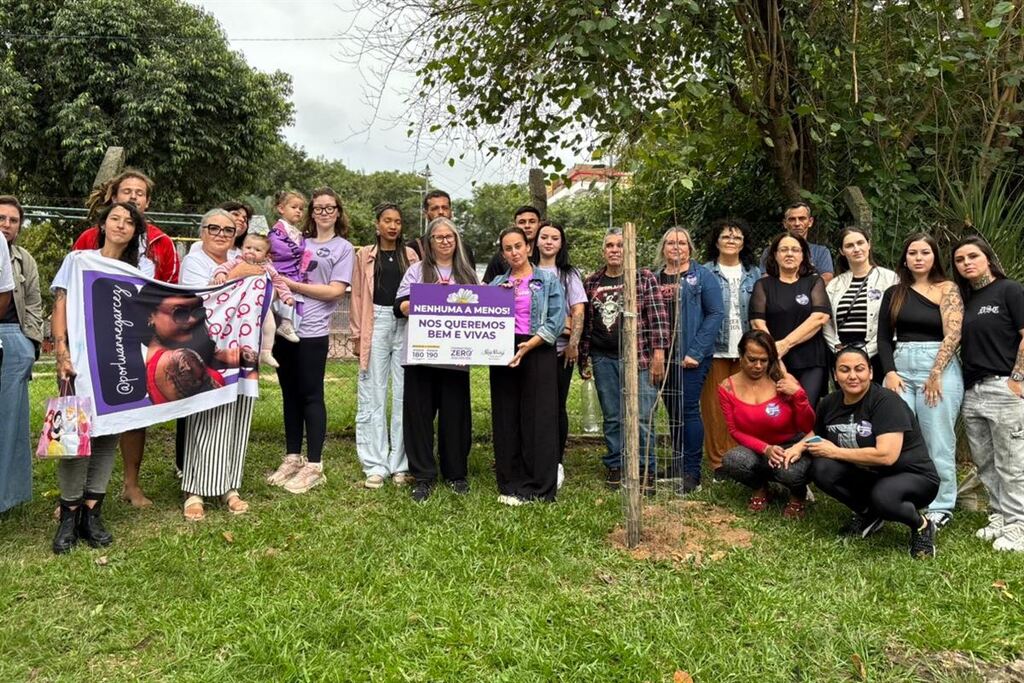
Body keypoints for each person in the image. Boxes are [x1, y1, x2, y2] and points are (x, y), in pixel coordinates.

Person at [74, 169, 181, 508]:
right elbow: (71, 290)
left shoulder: (161, 244)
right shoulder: (87, 241)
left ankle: (131, 485)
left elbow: (169, 294)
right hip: (90, 341)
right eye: (126, 191)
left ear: (147, 202)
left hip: (134, 340)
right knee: (84, 412)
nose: (133, 197)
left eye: (140, 193)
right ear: (113, 197)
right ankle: (73, 493)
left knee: (134, 414)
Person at [49, 202, 144, 552]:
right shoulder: (78, 260)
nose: (121, 225)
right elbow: (60, 306)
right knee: (73, 440)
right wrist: (62, 353)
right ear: (103, 224)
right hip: (79, 364)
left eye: (129, 222)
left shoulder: (139, 269)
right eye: (115, 219)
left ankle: (93, 511)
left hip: (119, 365)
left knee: (107, 438)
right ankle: (68, 514)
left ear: (135, 231)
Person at [807, 346, 940, 559]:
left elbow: (887, 456)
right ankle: (868, 514)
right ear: (835, 375)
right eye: (844, 370)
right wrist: (795, 449)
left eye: (859, 369)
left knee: (883, 496)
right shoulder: (829, 403)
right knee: (821, 468)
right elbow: (814, 435)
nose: (852, 376)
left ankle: (922, 525)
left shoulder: (886, 401)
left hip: (913, 476)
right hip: (872, 474)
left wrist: (835, 451)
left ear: (870, 372)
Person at [178, 209, 264, 521]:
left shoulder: (240, 257)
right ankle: (195, 489)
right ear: (202, 231)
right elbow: (202, 296)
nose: (220, 234)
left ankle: (230, 485)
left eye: (228, 230)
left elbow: (264, 282)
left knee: (238, 412)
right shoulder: (195, 260)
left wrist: (242, 273)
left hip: (242, 347)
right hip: (204, 348)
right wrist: (242, 274)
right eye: (213, 228)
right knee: (204, 414)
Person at [266, 188, 354, 494]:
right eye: (318, 208)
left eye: (331, 208)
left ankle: (315, 465)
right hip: (282, 326)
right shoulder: (295, 241)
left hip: (313, 329)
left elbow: (334, 291)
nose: (324, 213)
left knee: (311, 394)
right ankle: (293, 457)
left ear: (339, 212)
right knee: (289, 393)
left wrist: (290, 284)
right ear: (311, 212)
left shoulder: (344, 248)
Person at [877, 234, 963, 529]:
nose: (918, 257)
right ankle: (906, 495)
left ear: (934, 257)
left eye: (925, 252)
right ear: (904, 258)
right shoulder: (895, 292)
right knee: (900, 439)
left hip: (937, 367)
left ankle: (942, 504)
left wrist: (936, 373)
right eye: (912, 252)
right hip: (901, 368)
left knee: (937, 438)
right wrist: (889, 372)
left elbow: (954, 333)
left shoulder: (946, 288)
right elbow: (884, 338)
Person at [394, 217, 479, 501]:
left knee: (455, 417)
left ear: (457, 241)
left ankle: (456, 474)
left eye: (450, 237)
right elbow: (399, 307)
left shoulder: (466, 274)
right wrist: (430, 299)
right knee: (418, 417)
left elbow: (483, 310)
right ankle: (423, 476)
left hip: (455, 357)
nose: (445, 242)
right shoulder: (417, 271)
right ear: (429, 243)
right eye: (438, 237)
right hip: (421, 355)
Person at [579, 228, 669, 492]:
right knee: (613, 416)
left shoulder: (643, 279)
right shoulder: (592, 282)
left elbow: (658, 317)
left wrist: (659, 354)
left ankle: (645, 470)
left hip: (639, 358)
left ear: (629, 250)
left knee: (642, 416)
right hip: (603, 358)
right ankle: (616, 465)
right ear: (603, 250)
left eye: (620, 245)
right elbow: (586, 322)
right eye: (610, 245)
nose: (615, 249)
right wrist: (584, 357)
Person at [953, 235, 1024, 552]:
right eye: (959, 259)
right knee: (985, 462)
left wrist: (1018, 378)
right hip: (973, 390)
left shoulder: (1009, 290)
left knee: (1012, 463)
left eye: (972, 256)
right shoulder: (967, 299)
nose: (966, 263)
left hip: (1003, 387)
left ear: (988, 258)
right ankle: (999, 516)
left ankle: (1019, 524)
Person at [489, 227, 565, 504]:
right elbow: (477, 314)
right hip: (502, 352)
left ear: (528, 248)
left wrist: (530, 345)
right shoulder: (496, 282)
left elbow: (556, 320)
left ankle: (539, 487)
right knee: (506, 417)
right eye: (508, 248)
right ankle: (510, 483)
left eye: (518, 246)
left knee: (538, 419)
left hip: (537, 350)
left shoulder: (547, 281)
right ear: (503, 253)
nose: (514, 252)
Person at [350, 203, 419, 489]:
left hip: (405, 321)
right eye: (387, 221)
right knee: (373, 393)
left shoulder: (412, 256)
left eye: (398, 221)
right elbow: (355, 297)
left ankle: (400, 465)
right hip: (374, 321)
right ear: (377, 225)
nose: (393, 226)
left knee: (404, 394)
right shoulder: (364, 255)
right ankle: (375, 465)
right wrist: (356, 335)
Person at [717, 330, 815, 518]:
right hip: (757, 449)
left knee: (790, 473)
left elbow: (809, 425)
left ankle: (798, 493)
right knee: (732, 460)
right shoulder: (726, 388)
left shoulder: (782, 380)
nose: (758, 366)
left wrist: (799, 396)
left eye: (764, 360)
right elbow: (734, 430)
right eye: (752, 359)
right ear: (740, 356)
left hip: (791, 446)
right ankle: (761, 489)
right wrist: (766, 448)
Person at [654, 226, 723, 493]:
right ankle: (677, 462)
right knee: (673, 411)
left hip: (690, 357)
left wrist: (695, 351)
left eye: (682, 243)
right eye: (670, 242)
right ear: (663, 248)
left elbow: (715, 313)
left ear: (690, 248)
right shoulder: (656, 278)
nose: (676, 247)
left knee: (688, 409)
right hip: (663, 357)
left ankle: (692, 473)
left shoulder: (702, 277)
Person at [701, 218, 761, 478]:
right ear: (717, 241)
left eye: (737, 237)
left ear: (743, 243)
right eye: (726, 236)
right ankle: (718, 463)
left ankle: (741, 459)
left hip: (747, 351)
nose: (731, 241)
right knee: (714, 408)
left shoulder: (755, 273)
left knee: (744, 407)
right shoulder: (704, 272)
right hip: (714, 348)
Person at [750, 233, 831, 407]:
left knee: (805, 409)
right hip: (773, 361)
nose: (789, 254)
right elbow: (757, 322)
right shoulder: (763, 285)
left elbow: (820, 317)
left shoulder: (814, 282)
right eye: (784, 249)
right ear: (774, 255)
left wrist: (785, 344)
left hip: (811, 361)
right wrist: (775, 354)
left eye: (795, 250)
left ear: (803, 256)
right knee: (776, 412)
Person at [531, 222, 585, 482]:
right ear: (536, 241)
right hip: (530, 349)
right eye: (545, 237)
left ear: (561, 243)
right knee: (532, 406)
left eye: (555, 238)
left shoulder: (568, 274)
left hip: (561, 351)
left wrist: (573, 343)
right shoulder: (526, 271)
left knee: (556, 407)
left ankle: (556, 461)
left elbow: (578, 311)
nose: (549, 242)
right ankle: (533, 456)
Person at [0, 196, 41, 513]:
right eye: (2, 218)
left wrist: (30, 345)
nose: (7, 225)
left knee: (10, 422)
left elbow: (34, 305)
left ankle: (6, 497)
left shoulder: (24, 259)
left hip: (13, 339)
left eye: (13, 220)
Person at [823, 226, 899, 380]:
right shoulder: (835, 284)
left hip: (878, 354)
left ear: (868, 245)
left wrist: (866, 351)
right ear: (842, 251)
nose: (856, 249)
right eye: (849, 246)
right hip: (843, 355)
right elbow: (826, 322)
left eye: (860, 243)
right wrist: (837, 348)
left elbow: (893, 319)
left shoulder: (889, 278)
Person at [212, 232, 296, 368]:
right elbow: (222, 267)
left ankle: (266, 352)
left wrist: (287, 296)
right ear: (242, 248)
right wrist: (220, 274)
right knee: (240, 330)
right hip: (238, 305)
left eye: (257, 250)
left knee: (271, 326)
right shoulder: (237, 262)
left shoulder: (267, 267)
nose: (251, 251)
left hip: (260, 305)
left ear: (266, 255)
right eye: (248, 248)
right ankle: (236, 354)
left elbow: (279, 282)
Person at [267, 190, 308, 342]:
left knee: (293, 298)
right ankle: (283, 323)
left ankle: (287, 323)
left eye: (301, 208)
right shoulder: (276, 232)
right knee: (283, 297)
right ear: (281, 208)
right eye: (294, 207)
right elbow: (279, 249)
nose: (298, 211)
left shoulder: (298, 233)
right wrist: (298, 251)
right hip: (281, 271)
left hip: (294, 273)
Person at [760, 201, 834, 283]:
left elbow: (827, 279)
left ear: (810, 222)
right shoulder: (771, 251)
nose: (797, 223)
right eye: (792, 219)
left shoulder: (821, 252)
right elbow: (766, 280)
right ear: (785, 223)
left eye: (802, 218)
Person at [408, 189, 475, 266]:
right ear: (425, 214)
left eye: (445, 208)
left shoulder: (464, 250)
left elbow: (470, 277)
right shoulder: (413, 249)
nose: (441, 212)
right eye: (435, 208)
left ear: (451, 212)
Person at [482, 205, 542, 283]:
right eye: (522, 222)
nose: (527, 226)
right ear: (515, 225)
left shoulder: (546, 254)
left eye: (532, 221)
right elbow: (486, 287)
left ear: (539, 225)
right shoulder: (500, 258)